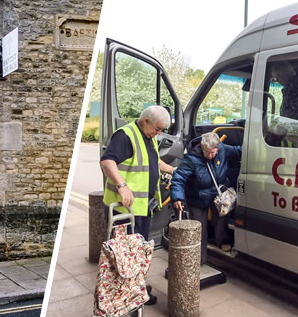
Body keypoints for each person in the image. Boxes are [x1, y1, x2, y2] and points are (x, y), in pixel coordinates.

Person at [100, 105, 174, 306]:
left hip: (141, 208)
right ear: (146, 120)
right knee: (125, 256)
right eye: (158, 129)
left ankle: (136, 289)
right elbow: (107, 161)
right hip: (125, 210)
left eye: (162, 130)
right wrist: (122, 186)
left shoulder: (149, 137)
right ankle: (129, 300)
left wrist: (172, 170)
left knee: (137, 253)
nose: (159, 133)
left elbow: (155, 162)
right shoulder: (125, 136)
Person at [170, 132, 242, 264]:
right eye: (207, 152)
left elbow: (239, 151)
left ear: (218, 148)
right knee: (199, 228)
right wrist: (177, 198)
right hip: (197, 198)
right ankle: (198, 259)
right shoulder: (191, 160)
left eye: (213, 153)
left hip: (218, 195)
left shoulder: (223, 149)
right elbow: (178, 179)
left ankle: (222, 241)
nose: (210, 156)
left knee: (221, 219)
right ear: (202, 148)